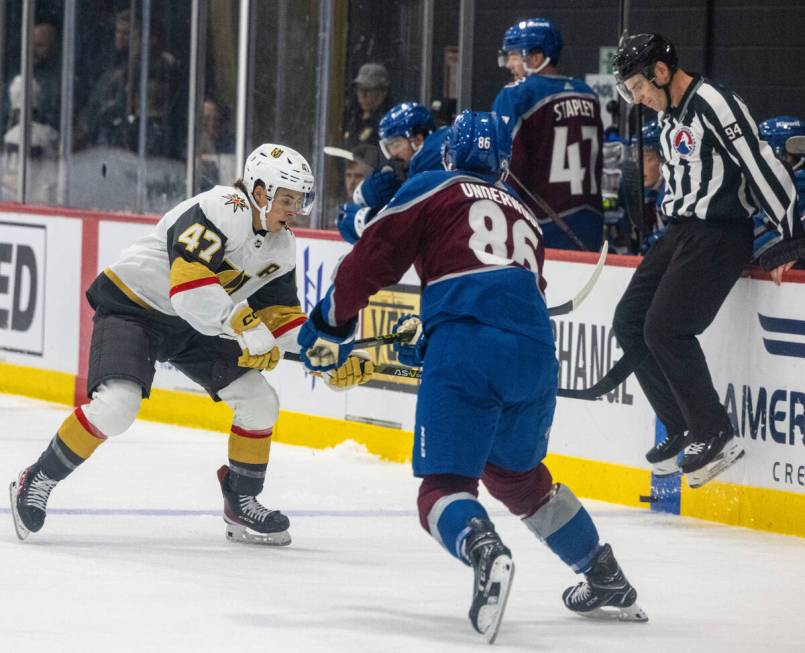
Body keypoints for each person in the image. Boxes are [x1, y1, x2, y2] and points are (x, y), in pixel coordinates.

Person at [298, 110, 646, 643]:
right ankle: (604, 574)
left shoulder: (434, 185)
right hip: (534, 357)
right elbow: (505, 291)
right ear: (504, 167)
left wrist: (331, 320)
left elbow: (376, 255)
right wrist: (436, 334)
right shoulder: (526, 218)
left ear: (446, 154)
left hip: (468, 346)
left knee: (442, 490)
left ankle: (484, 549)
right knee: (518, 478)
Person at [9, 143, 374, 545]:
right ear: (258, 191)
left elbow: (281, 318)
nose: (294, 208)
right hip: (135, 306)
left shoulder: (281, 247)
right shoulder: (224, 207)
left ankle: (242, 501)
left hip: (198, 326)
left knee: (259, 401)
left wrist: (323, 354)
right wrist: (244, 327)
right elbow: (188, 289)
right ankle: (37, 477)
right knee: (117, 408)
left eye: (300, 199)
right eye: (286, 198)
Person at [610, 34, 798, 487]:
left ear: (660, 71)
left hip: (719, 232)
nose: (638, 98)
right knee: (629, 320)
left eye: (638, 87)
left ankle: (714, 431)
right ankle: (680, 426)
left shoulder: (714, 101)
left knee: (666, 328)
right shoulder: (671, 112)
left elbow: (759, 165)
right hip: (682, 231)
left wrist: (793, 237)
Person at [492, 18, 604, 251]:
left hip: (535, 227)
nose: (508, 65)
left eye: (513, 56)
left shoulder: (516, 95)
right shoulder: (588, 94)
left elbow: (502, 167)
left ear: (536, 58)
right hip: (591, 223)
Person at [337, 101, 449, 243]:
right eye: (388, 147)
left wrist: (367, 221)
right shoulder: (439, 150)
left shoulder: (428, 162)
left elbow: (405, 228)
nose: (392, 154)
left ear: (418, 140)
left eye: (396, 145)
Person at [342, 62, 393, 150]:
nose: (362, 95)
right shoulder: (352, 118)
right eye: (359, 89)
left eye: (368, 90)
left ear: (383, 92)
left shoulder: (389, 124)